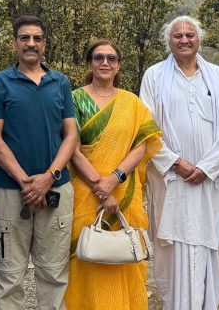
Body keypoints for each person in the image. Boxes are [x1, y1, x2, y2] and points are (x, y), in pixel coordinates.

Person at [140, 15, 219, 310]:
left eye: (190, 35)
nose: (184, 40)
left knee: (206, 245)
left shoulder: (218, 77)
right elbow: (146, 126)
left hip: (208, 181)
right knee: (172, 248)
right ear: (168, 42)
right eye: (177, 36)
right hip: (172, 180)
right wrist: (175, 163)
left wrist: (206, 168)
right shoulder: (154, 76)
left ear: (199, 39)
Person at [0, 15, 79, 310]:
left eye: (37, 38)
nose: (31, 43)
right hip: (11, 192)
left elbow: (71, 134)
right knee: (10, 276)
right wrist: (26, 181)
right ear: (14, 44)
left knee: (53, 272)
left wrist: (49, 177)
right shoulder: (0, 83)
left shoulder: (60, 82)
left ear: (44, 45)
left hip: (56, 191)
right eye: (24, 38)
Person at [66, 40, 162, 310]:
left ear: (118, 65)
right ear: (90, 63)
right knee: (86, 256)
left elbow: (142, 145)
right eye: (98, 57)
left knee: (126, 256)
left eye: (111, 58)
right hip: (85, 193)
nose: (105, 62)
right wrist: (99, 185)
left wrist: (114, 178)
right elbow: (71, 149)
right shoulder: (73, 99)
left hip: (124, 192)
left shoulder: (131, 103)